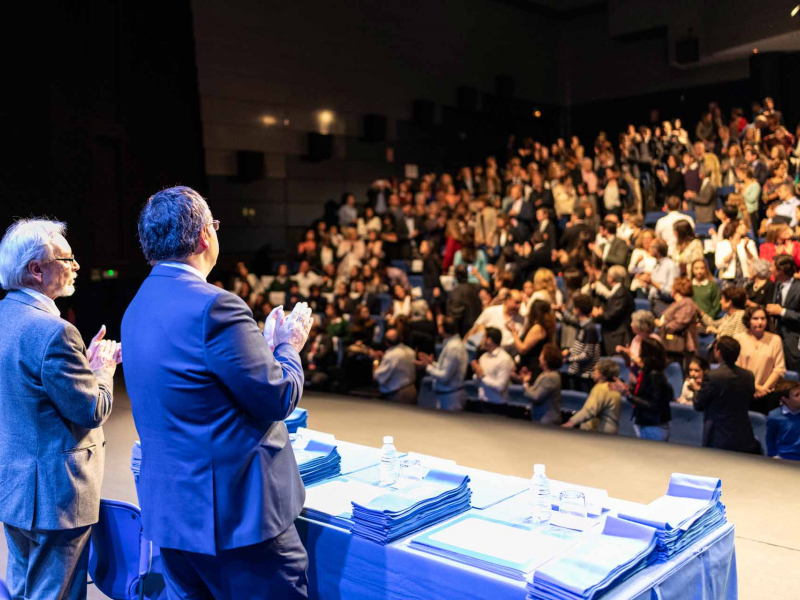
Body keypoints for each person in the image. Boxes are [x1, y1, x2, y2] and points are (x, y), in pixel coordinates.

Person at [122, 187, 313, 599]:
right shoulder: (216, 306)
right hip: (235, 521)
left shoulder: (136, 306)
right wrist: (287, 346)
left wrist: (259, 349)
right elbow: (278, 396)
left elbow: (199, 387)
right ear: (204, 236)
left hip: (173, 517)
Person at [0, 219, 121, 600]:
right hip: (55, 499)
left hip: (15, 489)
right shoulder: (54, 331)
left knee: (22, 591)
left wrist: (81, 367)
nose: (76, 266)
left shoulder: (6, 316)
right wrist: (102, 369)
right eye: (67, 259)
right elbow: (92, 409)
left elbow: (30, 390)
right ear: (37, 270)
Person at [693, 336, 761, 454]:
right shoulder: (749, 376)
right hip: (743, 435)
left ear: (718, 352)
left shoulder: (712, 376)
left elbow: (699, 405)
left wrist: (696, 390)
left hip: (718, 436)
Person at [611, 338, 673, 441]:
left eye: (640, 352)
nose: (638, 355)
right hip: (648, 425)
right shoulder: (648, 372)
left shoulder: (655, 375)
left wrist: (629, 395)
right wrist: (628, 389)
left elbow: (654, 405)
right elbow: (645, 394)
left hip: (653, 427)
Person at [735, 305, 786, 413]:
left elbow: (779, 369)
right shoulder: (738, 338)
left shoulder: (775, 339)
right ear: (748, 320)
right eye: (755, 318)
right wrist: (756, 387)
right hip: (744, 391)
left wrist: (763, 389)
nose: (760, 322)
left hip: (768, 393)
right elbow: (737, 368)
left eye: (763, 318)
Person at [416, 317, 468, 411]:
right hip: (447, 396)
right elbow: (445, 368)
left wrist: (427, 367)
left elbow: (444, 377)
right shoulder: (451, 344)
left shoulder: (453, 347)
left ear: (442, 329)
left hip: (450, 398)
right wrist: (431, 363)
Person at [563, 358, 623, 434]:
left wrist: (571, 422)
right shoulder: (615, 390)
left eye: (596, 369)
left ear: (602, 373)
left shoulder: (601, 388)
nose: (594, 372)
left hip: (599, 434)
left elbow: (589, 410)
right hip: (611, 432)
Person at [766, 254, 800, 373]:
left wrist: (782, 311)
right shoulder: (777, 284)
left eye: (772, 266)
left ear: (781, 270)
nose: (770, 269)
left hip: (793, 340)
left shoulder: (798, 287)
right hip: (776, 338)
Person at [466, 290, 525, 357]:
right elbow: (475, 329)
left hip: (508, 356)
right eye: (517, 302)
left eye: (520, 303)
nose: (519, 306)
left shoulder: (522, 319)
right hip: (486, 354)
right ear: (508, 300)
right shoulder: (490, 312)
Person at [656, 277, 699, 367]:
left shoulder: (687, 303)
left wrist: (663, 325)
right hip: (672, 345)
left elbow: (680, 322)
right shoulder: (677, 303)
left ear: (677, 289)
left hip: (682, 347)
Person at [591, 265, 634, 356]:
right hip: (612, 335)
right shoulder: (617, 291)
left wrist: (597, 315)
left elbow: (612, 315)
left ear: (611, 278)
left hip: (618, 337)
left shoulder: (621, 293)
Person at [563, 293, 601, 393]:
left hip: (586, 376)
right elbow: (579, 347)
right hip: (578, 373)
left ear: (578, 310)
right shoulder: (582, 326)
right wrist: (569, 351)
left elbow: (587, 355)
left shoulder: (590, 328)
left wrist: (568, 360)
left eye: (574, 307)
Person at [508, 299, 555, 380]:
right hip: (532, 366)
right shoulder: (544, 326)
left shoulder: (537, 328)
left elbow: (523, 349)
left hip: (532, 369)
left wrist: (514, 333)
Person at [472, 327, 515, 409]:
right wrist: (476, 374)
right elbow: (478, 382)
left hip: (497, 406)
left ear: (489, 340)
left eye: (483, 337)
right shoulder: (483, 357)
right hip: (481, 402)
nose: (481, 339)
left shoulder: (504, 359)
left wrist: (482, 376)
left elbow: (500, 387)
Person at [522, 343, 563, 425]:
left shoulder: (550, 377)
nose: (539, 358)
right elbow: (534, 391)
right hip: (541, 420)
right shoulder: (545, 374)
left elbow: (536, 397)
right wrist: (527, 381)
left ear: (546, 359)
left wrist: (525, 384)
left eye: (541, 355)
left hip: (547, 422)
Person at [373, 327, 417, 403]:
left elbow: (377, 377)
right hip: (411, 389)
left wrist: (376, 360)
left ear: (386, 342)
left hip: (398, 393)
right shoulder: (411, 351)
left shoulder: (391, 355)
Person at [639, 239, 679, 317]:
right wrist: (646, 285)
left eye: (651, 247)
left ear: (657, 251)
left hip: (664, 304)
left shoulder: (671, 266)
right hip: (653, 302)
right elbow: (653, 288)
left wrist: (652, 282)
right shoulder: (656, 265)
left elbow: (671, 291)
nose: (648, 249)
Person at [715, 219, 757, 287]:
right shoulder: (722, 244)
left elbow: (756, 262)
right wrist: (732, 252)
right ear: (733, 227)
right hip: (729, 279)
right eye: (741, 225)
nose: (744, 227)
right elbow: (719, 264)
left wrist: (746, 249)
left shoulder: (749, 243)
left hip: (746, 279)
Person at [766, 381, 800, 461]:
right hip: (784, 458)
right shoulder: (774, 416)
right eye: (797, 395)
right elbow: (770, 440)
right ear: (785, 399)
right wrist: (773, 457)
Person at [446, 264, 482, 337]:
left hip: (464, 332)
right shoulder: (476, 287)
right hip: (477, 328)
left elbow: (455, 316)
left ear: (456, 276)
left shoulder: (456, 292)